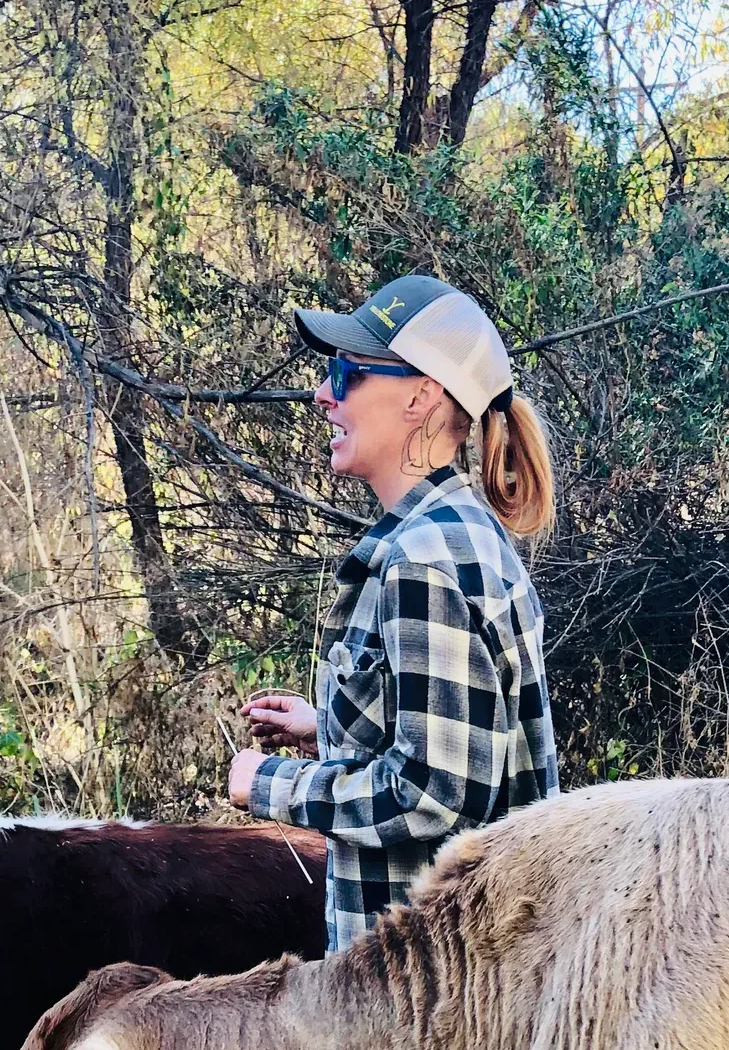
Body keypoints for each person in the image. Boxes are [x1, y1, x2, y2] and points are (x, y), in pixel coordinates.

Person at [226, 273, 559, 950]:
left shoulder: (423, 560)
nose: (322, 395)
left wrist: (272, 786)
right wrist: (332, 732)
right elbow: (468, 753)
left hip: (423, 999)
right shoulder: (455, 530)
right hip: (453, 982)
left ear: (420, 396)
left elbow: (431, 796)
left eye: (345, 373)